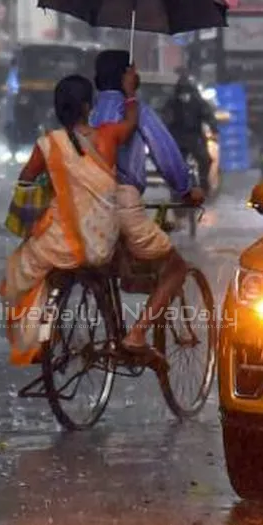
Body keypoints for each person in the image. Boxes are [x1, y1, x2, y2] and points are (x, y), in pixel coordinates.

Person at [0, 73, 139, 365]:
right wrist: (130, 93)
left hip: (62, 246)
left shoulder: (48, 144)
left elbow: (25, 180)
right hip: (104, 241)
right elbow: (132, 123)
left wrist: (51, 186)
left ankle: (36, 341)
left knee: (20, 267)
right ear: (88, 107)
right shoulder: (109, 135)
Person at [91, 50, 204, 365]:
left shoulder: (88, 110)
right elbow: (165, 153)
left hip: (87, 203)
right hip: (122, 199)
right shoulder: (134, 110)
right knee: (176, 268)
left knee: (112, 270)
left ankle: (113, 332)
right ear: (128, 75)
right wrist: (184, 189)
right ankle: (137, 334)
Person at [164, 72, 219, 196]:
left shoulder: (198, 102)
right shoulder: (172, 103)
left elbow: (209, 116)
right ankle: (176, 188)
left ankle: (204, 185)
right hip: (177, 137)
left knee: (206, 160)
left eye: (187, 92)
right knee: (175, 163)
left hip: (195, 137)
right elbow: (165, 118)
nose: (185, 96)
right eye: (182, 93)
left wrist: (214, 129)